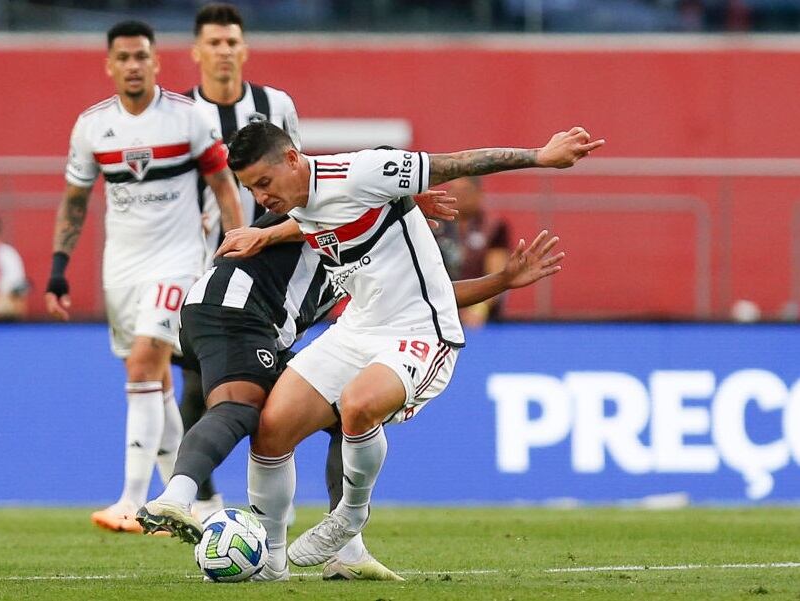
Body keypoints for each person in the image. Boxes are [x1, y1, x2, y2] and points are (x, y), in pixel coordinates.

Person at [222, 121, 602, 579]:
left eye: (264, 183)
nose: (261, 197)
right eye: (251, 189)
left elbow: (458, 163)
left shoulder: (364, 172)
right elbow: (308, 222)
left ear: (291, 159)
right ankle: (271, 563)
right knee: (270, 430)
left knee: (358, 405)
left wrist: (538, 155)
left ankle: (350, 516)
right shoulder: (302, 202)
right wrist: (264, 234)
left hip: (421, 332)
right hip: (356, 328)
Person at [136, 196, 565, 582]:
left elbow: (428, 297)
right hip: (237, 308)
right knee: (242, 408)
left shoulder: (368, 252)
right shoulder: (329, 200)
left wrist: (503, 280)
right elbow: (321, 215)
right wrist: (406, 195)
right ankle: (183, 499)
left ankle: (345, 550)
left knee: (336, 418)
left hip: (253, 323)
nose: (261, 193)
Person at [43, 20, 244, 534]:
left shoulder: (188, 118)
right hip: (122, 269)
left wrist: (239, 243)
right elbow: (73, 203)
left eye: (142, 57)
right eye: (124, 57)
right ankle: (196, 500)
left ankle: (132, 501)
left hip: (179, 260)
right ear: (109, 65)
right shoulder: (92, 126)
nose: (133, 65)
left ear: (156, 62)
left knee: (143, 362)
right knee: (150, 380)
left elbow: (223, 185)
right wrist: (59, 269)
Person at [177, 1, 303, 522]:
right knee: (191, 384)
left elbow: (297, 174)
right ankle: (203, 498)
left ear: (244, 49)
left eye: (232, 42)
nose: (224, 51)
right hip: (197, 264)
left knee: (277, 379)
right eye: (214, 42)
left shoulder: (277, 104)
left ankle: (268, 500)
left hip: (270, 264)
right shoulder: (178, 113)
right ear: (196, 51)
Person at [433, 176, 511, 327]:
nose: (458, 196)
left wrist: (479, 309)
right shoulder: (433, 226)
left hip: (481, 318)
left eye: (465, 190)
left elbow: (498, 274)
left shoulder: (494, 227)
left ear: (479, 193)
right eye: (453, 190)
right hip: (438, 312)